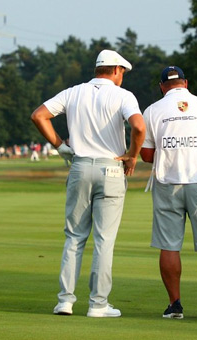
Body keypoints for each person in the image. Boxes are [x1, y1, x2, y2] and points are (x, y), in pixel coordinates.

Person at [31, 49, 145, 318]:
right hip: (112, 170)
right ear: (116, 70)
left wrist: (60, 145)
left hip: (80, 166)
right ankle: (98, 304)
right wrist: (132, 155)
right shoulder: (123, 96)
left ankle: (65, 301)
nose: (123, 78)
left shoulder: (73, 92)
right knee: (104, 240)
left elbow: (39, 115)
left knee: (74, 237)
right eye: (123, 73)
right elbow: (139, 127)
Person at [140, 66, 197, 320]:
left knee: (169, 246)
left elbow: (146, 155)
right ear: (185, 83)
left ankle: (175, 304)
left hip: (168, 182)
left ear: (162, 86)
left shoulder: (152, 110)